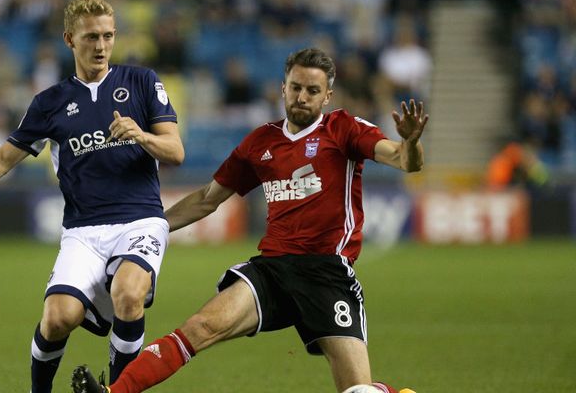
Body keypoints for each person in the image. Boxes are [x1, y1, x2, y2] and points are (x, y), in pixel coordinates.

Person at [71, 48, 428, 393]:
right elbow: (207, 199)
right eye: (296, 88)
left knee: (358, 391)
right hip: (272, 270)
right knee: (200, 327)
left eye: (313, 91)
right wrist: (151, 227)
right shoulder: (261, 142)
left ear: (327, 96)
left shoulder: (344, 129)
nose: (302, 96)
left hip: (326, 274)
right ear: (283, 87)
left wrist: (410, 141)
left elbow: (404, 161)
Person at [0, 0, 184, 393]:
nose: (100, 46)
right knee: (58, 317)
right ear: (69, 39)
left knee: (129, 293)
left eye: (108, 36)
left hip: (140, 219)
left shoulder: (142, 82)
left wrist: (141, 134)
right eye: (91, 38)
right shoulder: (49, 103)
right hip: (83, 229)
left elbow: (176, 151)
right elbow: (2, 159)